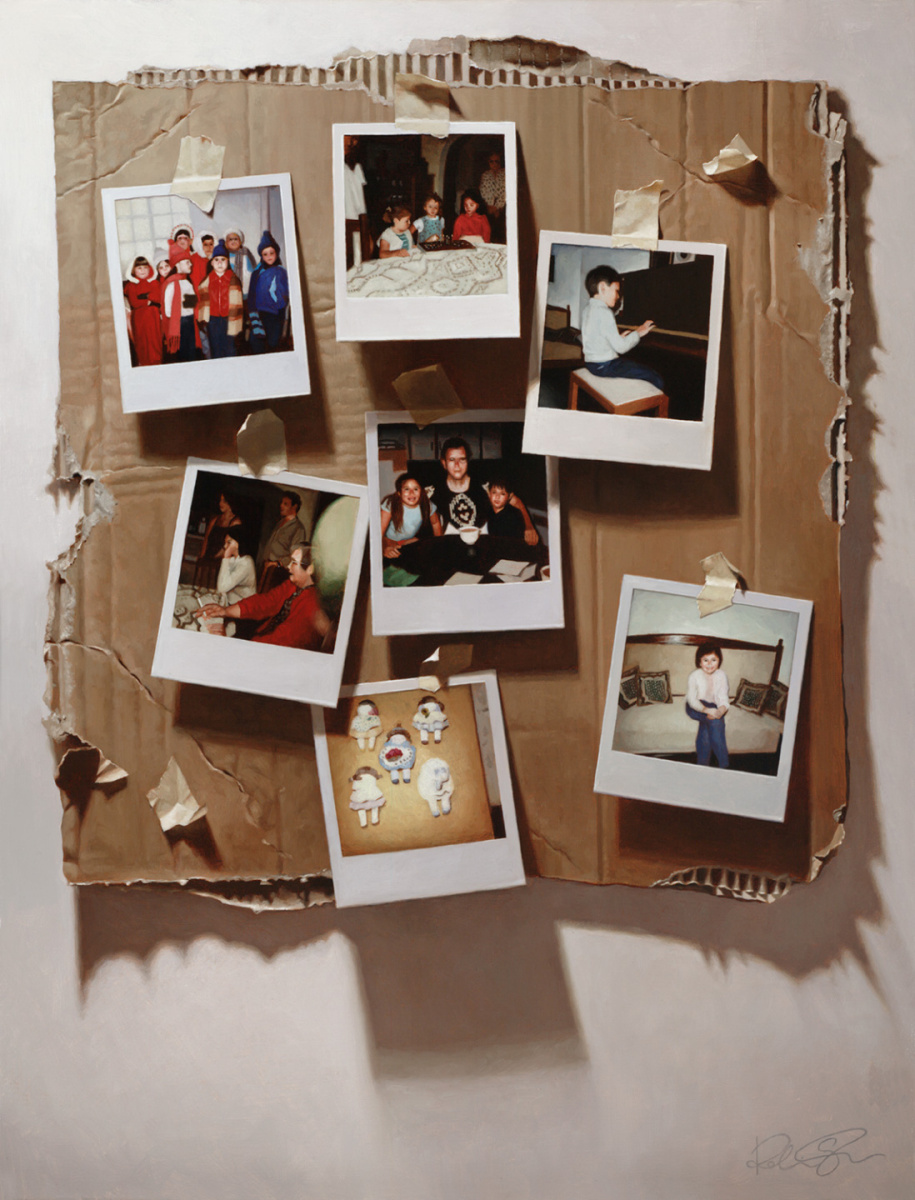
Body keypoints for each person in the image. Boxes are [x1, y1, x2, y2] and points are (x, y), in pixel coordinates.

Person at [195, 546, 331, 650]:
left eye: (294, 563)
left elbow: (280, 641)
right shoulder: (292, 584)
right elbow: (264, 602)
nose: (288, 567)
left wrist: (232, 645)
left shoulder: (312, 604)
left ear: (310, 569)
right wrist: (225, 611)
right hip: (261, 641)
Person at [428, 438, 539, 545]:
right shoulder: (433, 492)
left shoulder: (484, 485)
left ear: (468, 461)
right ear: (444, 463)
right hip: (452, 546)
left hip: (484, 545)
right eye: (452, 460)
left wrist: (529, 527)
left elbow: (515, 501)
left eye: (462, 459)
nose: (457, 465)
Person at [580, 265, 664, 390]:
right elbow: (621, 348)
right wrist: (638, 333)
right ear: (602, 288)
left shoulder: (587, 309)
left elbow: (596, 338)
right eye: (616, 291)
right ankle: (651, 400)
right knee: (654, 377)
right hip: (605, 366)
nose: (618, 296)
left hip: (591, 364)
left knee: (634, 367)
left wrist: (618, 337)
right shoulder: (604, 312)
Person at [380, 473, 442, 587]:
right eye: (406, 489)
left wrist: (438, 544)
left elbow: (436, 523)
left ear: (421, 492)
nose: (411, 493)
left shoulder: (427, 505)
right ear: (399, 493)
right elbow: (378, 532)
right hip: (388, 541)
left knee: (428, 560)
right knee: (390, 569)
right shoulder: (390, 504)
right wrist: (384, 547)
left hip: (408, 541)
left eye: (416, 489)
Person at [196, 240, 244, 358]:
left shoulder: (233, 280)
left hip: (229, 319)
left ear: (228, 262)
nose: (220, 263)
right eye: (216, 260)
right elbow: (203, 301)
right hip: (213, 320)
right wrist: (203, 319)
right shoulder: (207, 281)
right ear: (212, 263)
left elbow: (238, 303)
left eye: (223, 259)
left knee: (230, 348)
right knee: (215, 348)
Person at [685, 642, 730, 768]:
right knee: (716, 722)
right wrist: (707, 710)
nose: (710, 664)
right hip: (695, 706)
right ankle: (724, 765)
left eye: (713, 660)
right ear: (699, 662)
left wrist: (720, 711)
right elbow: (692, 700)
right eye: (705, 660)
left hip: (712, 706)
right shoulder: (694, 676)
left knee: (708, 725)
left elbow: (723, 698)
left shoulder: (722, 675)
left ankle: (702, 765)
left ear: (719, 661)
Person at [247, 231, 290, 354]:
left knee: (273, 342)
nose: (269, 256)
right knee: (257, 340)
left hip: (276, 313)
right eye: (265, 254)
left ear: (276, 253)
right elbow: (252, 294)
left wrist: (282, 304)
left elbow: (285, 291)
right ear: (261, 256)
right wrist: (253, 313)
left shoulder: (281, 271)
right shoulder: (257, 273)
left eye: (272, 253)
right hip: (261, 312)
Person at [161, 240, 201, 362]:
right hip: (180, 323)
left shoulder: (186, 282)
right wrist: (180, 311)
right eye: (187, 262)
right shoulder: (171, 284)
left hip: (189, 320)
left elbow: (191, 304)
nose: (191, 264)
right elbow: (168, 311)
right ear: (178, 264)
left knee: (191, 350)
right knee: (184, 352)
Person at [259, 490, 308, 591]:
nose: (281, 506)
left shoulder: (298, 528)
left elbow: (297, 554)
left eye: (285, 504)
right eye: (281, 503)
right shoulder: (280, 522)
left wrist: (278, 563)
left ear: (294, 507)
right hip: (266, 567)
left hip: (279, 572)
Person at [122, 256, 162, 367]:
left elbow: (158, 298)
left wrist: (145, 296)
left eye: (145, 267)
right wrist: (149, 300)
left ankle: (157, 363)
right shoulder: (131, 285)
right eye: (139, 268)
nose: (143, 270)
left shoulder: (154, 283)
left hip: (153, 318)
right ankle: (144, 364)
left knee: (155, 342)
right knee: (142, 342)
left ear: (150, 268)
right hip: (140, 319)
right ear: (133, 270)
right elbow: (135, 302)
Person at [486, 476, 532, 541]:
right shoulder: (489, 511)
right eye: (494, 492)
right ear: (489, 493)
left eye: (502, 494)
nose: (497, 497)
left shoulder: (514, 516)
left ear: (509, 496)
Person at [479, 152, 506, 236]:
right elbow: (483, 192)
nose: (494, 164)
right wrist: (489, 207)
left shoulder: (505, 174)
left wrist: (498, 208)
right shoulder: (485, 175)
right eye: (491, 161)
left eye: (496, 161)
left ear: (500, 162)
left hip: (502, 208)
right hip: (489, 208)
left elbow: (505, 192)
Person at [223, 227, 256, 293]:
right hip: (228, 288)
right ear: (226, 243)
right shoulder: (224, 254)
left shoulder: (245, 252)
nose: (233, 241)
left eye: (236, 239)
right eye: (230, 239)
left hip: (245, 287)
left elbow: (253, 268)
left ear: (240, 241)